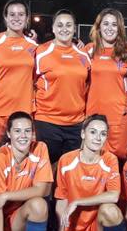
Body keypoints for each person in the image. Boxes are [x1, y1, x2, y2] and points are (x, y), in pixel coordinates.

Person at [53, 115, 127, 231]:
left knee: (110, 209)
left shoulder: (110, 159)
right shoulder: (67, 160)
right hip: (76, 230)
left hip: (99, 226)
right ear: (83, 134)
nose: (98, 138)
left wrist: (78, 202)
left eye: (103, 134)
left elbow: (114, 195)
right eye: (93, 132)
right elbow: (61, 200)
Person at [0, 0, 39, 151]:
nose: (16, 18)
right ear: (5, 17)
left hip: (22, 111)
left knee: (20, 158)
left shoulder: (33, 46)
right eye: (12, 14)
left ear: (27, 18)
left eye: (21, 14)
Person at [34, 9, 91, 163]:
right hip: (47, 122)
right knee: (46, 172)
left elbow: (87, 85)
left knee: (69, 171)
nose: (64, 29)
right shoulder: (41, 52)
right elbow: (27, 81)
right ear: (53, 28)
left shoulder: (83, 54)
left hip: (76, 124)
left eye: (68, 25)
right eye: (59, 25)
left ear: (74, 28)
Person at [85, 8, 127, 160]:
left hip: (119, 117)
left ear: (120, 28)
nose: (110, 28)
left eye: (114, 24)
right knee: (95, 162)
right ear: (99, 27)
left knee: (122, 160)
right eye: (106, 24)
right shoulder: (88, 50)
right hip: (93, 115)